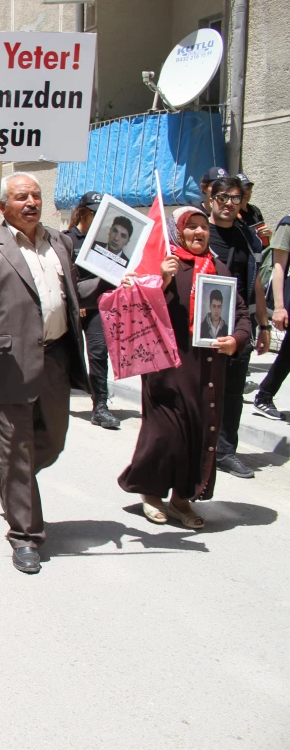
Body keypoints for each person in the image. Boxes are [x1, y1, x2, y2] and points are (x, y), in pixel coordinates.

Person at [0, 172, 88, 574]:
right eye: (21, 197)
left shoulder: (59, 242)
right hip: (9, 361)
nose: (31, 202)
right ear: (2, 206)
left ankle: (9, 475)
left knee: (53, 441)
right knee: (18, 446)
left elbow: (77, 290)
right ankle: (25, 536)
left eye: (36, 195)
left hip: (56, 357)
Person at [118, 207, 250, 528]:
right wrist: (160, 278)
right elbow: (134, 306)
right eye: (190, 227)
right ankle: (150, 492)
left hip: (206, 368)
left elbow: (241, 312)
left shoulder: (219, 268)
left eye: (203, 227)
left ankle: (182, 499)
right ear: (178, 232)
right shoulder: (164, 264)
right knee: (166, 432)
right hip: (165, 365)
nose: (198, 233)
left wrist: (236, 339)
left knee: (198, 431)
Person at [204, 175, 271, 479]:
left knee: (232, 393)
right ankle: (199, 446)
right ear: (210, 198)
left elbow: (254, 279)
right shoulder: (198, 231)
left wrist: (263, 323)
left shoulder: (248, 238)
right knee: (202, 389)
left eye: (235, 198)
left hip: (239, 326)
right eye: (223, 198)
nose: (228, 204)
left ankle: (226, 451)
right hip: (204, 328)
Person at [64, 191, 120, 429]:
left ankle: (100, 406)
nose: (99, 219)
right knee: (63, 355)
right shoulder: (67, 240)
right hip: (72, 307)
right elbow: (63, 277)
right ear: (83, 213)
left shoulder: (105, 242)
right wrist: (78, 303)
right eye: (94, 214)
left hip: (98, 307)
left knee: (98, 353)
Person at [253, 213, 290, 420]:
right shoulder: (288, 224)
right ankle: (264, 396)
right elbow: (279, 267)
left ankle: (264, 395)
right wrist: (279, 307)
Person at [235, 173, 272, 244]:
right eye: (244, 189)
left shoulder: (255, 210)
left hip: (260, 251)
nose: (247, 191)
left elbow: (264, 233)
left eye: (249, 187)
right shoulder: (233, 213)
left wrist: (268, 235)